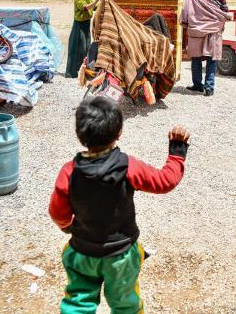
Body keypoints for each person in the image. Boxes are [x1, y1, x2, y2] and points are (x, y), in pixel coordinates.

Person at [49, 97, 190, 313]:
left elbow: (57, 212)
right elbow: (165, 181)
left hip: (82, 253)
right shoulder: (128, 166)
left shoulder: (69, 172)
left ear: (80, 134)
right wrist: (177, 153)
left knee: (77, 303)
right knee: (126, 305)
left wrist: (67, 226)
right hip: (122, 255)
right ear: (118, 133)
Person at [180, 0, 232, 96]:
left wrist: (185, 24)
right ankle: (209, 88)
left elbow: (185, 11)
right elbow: (224, 11)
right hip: (213, 31)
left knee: (196, 58)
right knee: (212, 59)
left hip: (197, 30)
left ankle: (198, 85)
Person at [65, 0, 99, 78]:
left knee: (86, 47)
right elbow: (85, 7)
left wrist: (102, 4)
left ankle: (83, 71)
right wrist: (96, 2)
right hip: (79, 26)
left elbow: (94, 7)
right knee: (78, 48)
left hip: (86, 24)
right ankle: (73, 72)